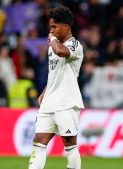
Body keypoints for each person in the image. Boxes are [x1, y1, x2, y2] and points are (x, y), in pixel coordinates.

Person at [28, 6, 84, 169]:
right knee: (39, 141)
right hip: (50, 102)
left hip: (66, 102)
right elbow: (55, 73)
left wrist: (52, 40)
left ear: (65, 27)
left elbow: (61, 52)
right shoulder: (54, 46)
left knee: (69, 144)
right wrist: (45, 92)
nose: (51, 30)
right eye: (50, 27)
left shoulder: (75, 46)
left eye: (54, 27)